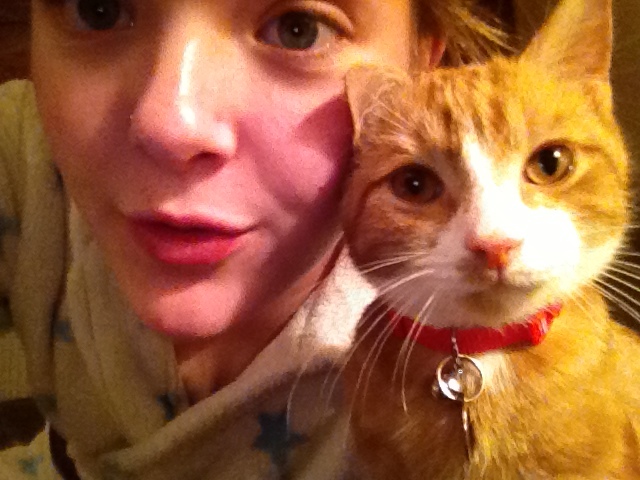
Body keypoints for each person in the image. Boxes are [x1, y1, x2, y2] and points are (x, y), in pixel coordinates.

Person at [0, 0, 504, 478]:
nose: (172, 127)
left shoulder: (488, 314)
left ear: (419, 68)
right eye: (98, 10)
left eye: (299, 29)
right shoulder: (22, 160)